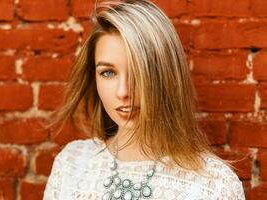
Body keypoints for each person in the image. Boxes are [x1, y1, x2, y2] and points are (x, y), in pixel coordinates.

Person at [43, 0, 245, 199]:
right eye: (107, 73)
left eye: (139, 71)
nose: (123, 92)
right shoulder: (72, 164)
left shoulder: (214, 186)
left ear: (167, 74)